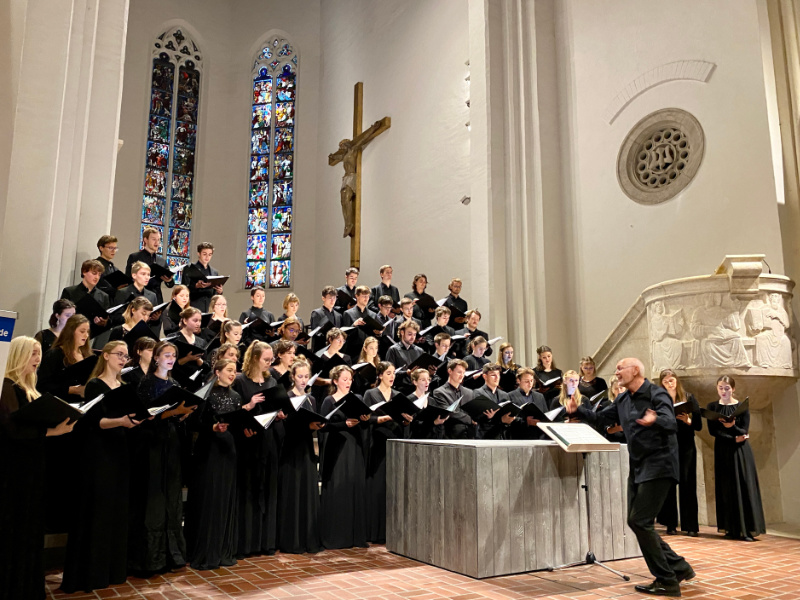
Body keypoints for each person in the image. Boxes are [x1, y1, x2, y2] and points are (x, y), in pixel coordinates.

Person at [564, 358, 694, 598]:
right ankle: (678, 567)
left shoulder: (656, 394)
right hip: (638, 466)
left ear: (635, 371)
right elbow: (601, 418)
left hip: (660, 464)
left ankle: (667, 580)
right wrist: (577, 410)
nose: (616, 372)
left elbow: (670, 422)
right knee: (636, 521)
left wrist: (655, 420)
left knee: (640, 520)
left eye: (620, 368)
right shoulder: (623, 399)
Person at [61, 341, 143, 594]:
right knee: (98, 508)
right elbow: (95, 421)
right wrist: (121, 421)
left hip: (120, 450)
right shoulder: (95, 384)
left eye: (126, 356)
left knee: (117, 509)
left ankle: (112, 570)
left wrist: (139, 418)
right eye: (119, 354)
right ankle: (91, 573)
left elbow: (130, 416)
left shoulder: (125, 387)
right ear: (105, 356)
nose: (123, 359)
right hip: (99, 452)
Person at [0, 337, 74, 600]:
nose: (38, 358)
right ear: (19, 355)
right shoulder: (7, 386)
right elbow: (11, 430)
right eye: (33, 353)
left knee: (31, 525)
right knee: (15, 524)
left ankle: (26, 585)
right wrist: (52, 431)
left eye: (39, 353)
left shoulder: (31, 388)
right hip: (15, 469)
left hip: (34, 465)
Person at [130, 341, 192, 575]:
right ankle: (152, 558)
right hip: (152, 444)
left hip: (171, 442)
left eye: (173, 355)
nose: (171, 359)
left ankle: (172, 554)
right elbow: (145, 417)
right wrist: (173, 412)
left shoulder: (174, 383)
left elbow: (173, 416)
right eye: (166, 355)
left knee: (171, 495)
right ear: (156, 358)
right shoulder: (147, 383)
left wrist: (183, 415)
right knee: (154, 498)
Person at [185, 359, 243, 570]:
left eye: (235, 371)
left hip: (228, 450)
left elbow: (237, 424)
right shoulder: (206, 393)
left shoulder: (236, 396)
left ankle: (222, 550)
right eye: (229, 370)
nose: (232, 374)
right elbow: (192, 422)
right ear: (217, 372)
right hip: (208, 450)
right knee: (209, 498)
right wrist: (212, 427)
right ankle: (204, 551)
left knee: (224, 498)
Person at [232, 342, 281, 556]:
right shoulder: (241, 381)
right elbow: (234, 412)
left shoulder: (272, 381)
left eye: (271, 360)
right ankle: (246, 544)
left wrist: (280, 413)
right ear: (254, 358)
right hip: (248, 441)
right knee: (249, 489)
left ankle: (265, 542)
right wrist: (249, 405)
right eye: (266, 360)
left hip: (268, 440)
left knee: (266, 488)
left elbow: (276, 407)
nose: (270, 364)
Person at [707, 375, 766, 542]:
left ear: (733, 389)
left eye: (727, 388)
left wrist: (732, 426)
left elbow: (744, 431)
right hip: (723, 450)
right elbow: (713, 431)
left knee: (743, 485)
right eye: (720, 388)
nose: (724, 391)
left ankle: (747, 529)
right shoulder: (712, 407)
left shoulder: (741, 407)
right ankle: (731, 529)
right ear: (717, 388)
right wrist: (732, 437)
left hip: (740, 450)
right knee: (726, 487)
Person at [319, 365, 369, 549]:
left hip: (354, 446)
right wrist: (343, 424)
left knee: (354, 486)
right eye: (344, 379)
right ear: (335, 381)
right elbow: (323, 426)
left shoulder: (357, 398)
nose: (348, 382)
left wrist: (364, 420)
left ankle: (355, 536)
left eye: (350, 379)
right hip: (337, 447)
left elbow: (365, 424)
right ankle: (337, 536)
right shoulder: (329, 400)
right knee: (339, 487)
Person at [278, 359, 324, 554]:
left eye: (306, 376)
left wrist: (316, 425)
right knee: (293, 491)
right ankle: (292, 540)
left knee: (307, 491)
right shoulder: (287, 397)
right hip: (291, 449)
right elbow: (286, 426)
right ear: (292, 377)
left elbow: (313, 421)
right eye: (300, 376)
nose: (303, 380)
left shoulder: (311, 399)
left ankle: (308, 538)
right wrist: (307, 426)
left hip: (307, 449)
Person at [362, 362, 407, 543]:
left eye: (393, 373)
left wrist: (406, 420)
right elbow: (365, 418)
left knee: (394, 487)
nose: (392, 376)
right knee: (378, 486)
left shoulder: (398, 395)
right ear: (380, 375)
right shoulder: (370, 394)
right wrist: (381, 418)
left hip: (395, 442)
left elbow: (403, 419)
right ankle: (376, 532)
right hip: (378, 442)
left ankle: (394, 531)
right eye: (388, 373)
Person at [657, 369, 701, 537]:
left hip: (686, 445)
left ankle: (691, 525)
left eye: (672, 380)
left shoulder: (688, 398)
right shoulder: (659, 401)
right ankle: (670, 524)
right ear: (662, 384)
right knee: (669, 484)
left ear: (677, 380)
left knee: (688, 483)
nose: (670, 383)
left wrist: (688, 420)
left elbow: (698, 425)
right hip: (668, 445)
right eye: (666, 381)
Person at [37, 314, 92, 401]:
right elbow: (42, 386)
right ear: (70, 332)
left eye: (87, 332)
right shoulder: (55, 355)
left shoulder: (88, 355)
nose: (86, 335)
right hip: (61, 403)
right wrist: (72, 390)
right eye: (82, 331)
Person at [125, 226, 175, 304]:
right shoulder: (135, 257)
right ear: (145, 240)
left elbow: (170, 284)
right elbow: (128, 278)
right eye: (154, 239)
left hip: (156, 298)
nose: (157, 243)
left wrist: (169, 280)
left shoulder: (162, 261)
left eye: (158, 240)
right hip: (139, 296)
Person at [61, 259, 110, 332]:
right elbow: (61, 315)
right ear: (84, 272)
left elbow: (107, 319)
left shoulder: (104, 296)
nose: (97, 277)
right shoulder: (69, 292)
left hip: (94, 333)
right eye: (94, 273)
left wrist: (104, 322)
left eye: (99, 274)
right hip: (72, 332)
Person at [430, 359, 474, 439]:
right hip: (451, 435)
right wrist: (470, 419)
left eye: (463, 373)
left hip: (470, 435)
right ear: (450, 371)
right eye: (459, 372)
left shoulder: (469, 392)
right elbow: (449, 412)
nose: (462, 375)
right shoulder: (439, 392)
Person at [473, 363, 515, 439]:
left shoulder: (504, 394)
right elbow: (480, 417)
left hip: (502, 435)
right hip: (485, 435)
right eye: (493, 375)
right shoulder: (478, 393)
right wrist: (500, 419)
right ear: (485, 376)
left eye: (498, 375)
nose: (497, 378)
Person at [507, 367, 549, 440]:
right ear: (518, 380)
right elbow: (508, 419)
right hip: (519, 436)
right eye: (526, 381)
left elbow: (546, 414)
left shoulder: (539, 396)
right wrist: (526, 421)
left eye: (531, 380)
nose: (530, 384)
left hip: (538, 436)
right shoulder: (510, 396)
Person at [342, 285, 381, 359]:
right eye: (364, 296)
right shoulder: (348, 313)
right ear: (356, 296)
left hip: (369, 352)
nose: (366, 299)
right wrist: (354, 325)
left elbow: (374, 336)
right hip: (354, 352)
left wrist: (378, 333)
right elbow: (344, 335)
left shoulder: (373, 315)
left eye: (368, 296)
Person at [183, 242, 223, 312]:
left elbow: (214, 294)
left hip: (209, 307)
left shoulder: (214, 272)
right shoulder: (189, 268)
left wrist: (219, 291)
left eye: (210, 254)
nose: (207, 257)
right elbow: (183, 288)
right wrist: (196, 286)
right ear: (198, 254)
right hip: (194, 306)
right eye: (204, 254)